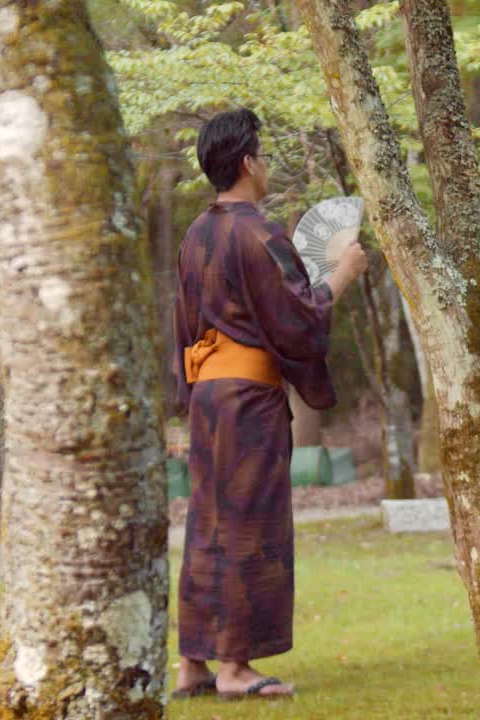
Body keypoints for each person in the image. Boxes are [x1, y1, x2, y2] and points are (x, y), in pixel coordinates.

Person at [171, 109, 368, 701]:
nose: (268, 161)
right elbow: (298, 321)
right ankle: (234, 667)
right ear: (248, 162)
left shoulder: (195, 236)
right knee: (245, 523)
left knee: (206, 521)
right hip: (247, 400)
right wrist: (341, 275)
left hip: (207, 396)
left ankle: (193, 664)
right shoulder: (258, 232)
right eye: (263, 152)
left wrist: (186, 401)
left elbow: (183, 328)